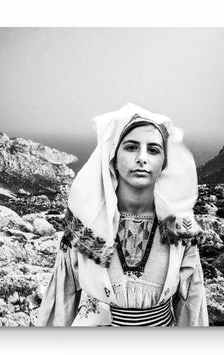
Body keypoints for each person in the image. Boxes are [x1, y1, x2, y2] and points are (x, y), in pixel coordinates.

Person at [36, 103, 208, 326]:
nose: (142, 158)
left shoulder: (178, 229)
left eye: (153, 150)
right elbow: (63, 299)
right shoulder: (88, 225)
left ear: (164, 162)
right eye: (131, 147)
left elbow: (190, 303)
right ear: (113, 157)